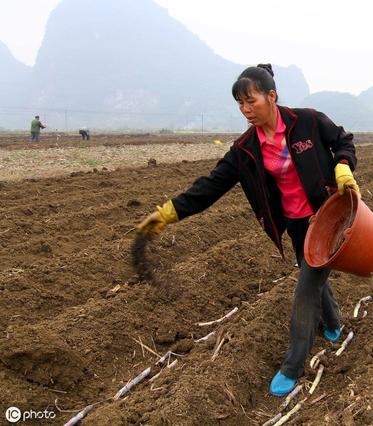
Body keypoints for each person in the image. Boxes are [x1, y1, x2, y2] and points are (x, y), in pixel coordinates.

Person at [136, 63, 359, 397]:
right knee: (310, 270)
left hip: (326, 216)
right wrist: (169, 213)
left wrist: (342, 166)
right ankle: (333, 324)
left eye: (250, 101)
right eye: (240, 104)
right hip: (296, 224)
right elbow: (211, 186)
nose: (245, 109)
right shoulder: (245, 149)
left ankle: (293, 364)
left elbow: (343, 141)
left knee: (305, 288)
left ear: (272, 96)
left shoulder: (308, 121)